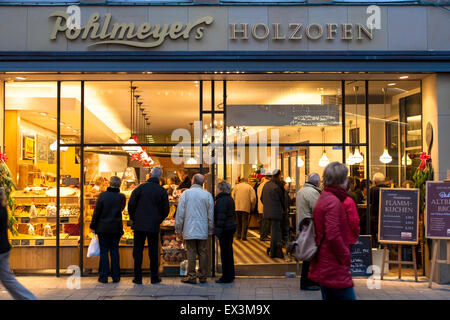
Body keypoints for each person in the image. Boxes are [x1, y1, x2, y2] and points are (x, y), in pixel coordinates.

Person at [308, 162, 356, 301]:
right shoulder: (333, 202)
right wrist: (345, 255)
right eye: (346, 177)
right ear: (341, 179)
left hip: (325, 261)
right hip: (333, 263)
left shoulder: (324, 197)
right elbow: (333, 234)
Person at [128, 167, 170, 285]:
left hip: (139, 225)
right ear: (160, 177)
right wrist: (159, 219)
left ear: (150, 175)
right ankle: (154, 277)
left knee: (138, 252)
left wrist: (133, 218)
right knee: (153, 252)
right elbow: (166, 209)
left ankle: (138, 278)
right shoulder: (161, 190)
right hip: (153, 225)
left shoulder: (140, 188)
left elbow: (131, 204)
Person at [175, 174, 214, 284]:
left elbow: (180, 213)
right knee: (202, 252)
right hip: (203, 228)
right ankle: (203, 276)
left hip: (189, 228)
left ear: (193, 181)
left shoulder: (186, 194)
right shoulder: (207, 195)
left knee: (191, 252)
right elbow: (210, 215)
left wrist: (178, 229)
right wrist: (210, 229)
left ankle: (191, 276)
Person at [0, 187, 37, 300]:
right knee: (8, 280)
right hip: (3, 248)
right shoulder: (2, 207)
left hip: (0, 250)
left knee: (8, 279)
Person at [90, 176, 126, 284]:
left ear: (109, 184)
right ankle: (116, 277)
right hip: (116, 228)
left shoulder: (103, 196)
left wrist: (93, 226)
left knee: (104, 252)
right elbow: (122, 209)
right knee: (115, 251)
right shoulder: (121, 197)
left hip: (103, 228)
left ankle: (103, 277)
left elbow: (97, 212)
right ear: (119, 185)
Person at [296, 173, 321, 291]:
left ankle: (307, 281)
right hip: (310, 227)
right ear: (317, 182)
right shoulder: (313, 193)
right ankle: (307, 282)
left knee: (308, 253)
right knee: (310, 255)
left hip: (303, 225)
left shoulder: (301, 191)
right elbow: (318, 210)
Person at [214, 181, 237, 283]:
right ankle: (230, 274)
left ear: (221, 189)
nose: (216, 190)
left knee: (225, 254)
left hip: (225, 230)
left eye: (217, 188)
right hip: (230, 228)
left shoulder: (222, 200)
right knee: (228, 253)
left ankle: (226, 277)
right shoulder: (229, 199)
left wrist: (217, 232)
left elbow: (221, 218)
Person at [261, 169, 285, 259]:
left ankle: (275, 250)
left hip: (268, 211)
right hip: (276, 211)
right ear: (278, 175)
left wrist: (267, 206)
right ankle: (273, 252)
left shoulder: (266, 185)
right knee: (275, 231)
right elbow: (282, 199)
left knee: (275, 230)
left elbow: (261, 198)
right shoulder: (277, 186)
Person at [369, 172, 390, 247]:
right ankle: (387, 251)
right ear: (384, 181)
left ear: (375, 182)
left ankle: (376, 249)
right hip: (388, 218)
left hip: (375, 218)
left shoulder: (372, 190)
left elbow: (369, 202)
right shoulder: (389, 190)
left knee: (375, 237)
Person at [257, 175, 271, 241]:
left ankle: (263, 235)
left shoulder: (260, 185)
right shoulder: (267, 185)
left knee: (263, 222)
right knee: (265, 223)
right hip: (266, 207)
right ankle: (263, 236)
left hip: (260, 206)